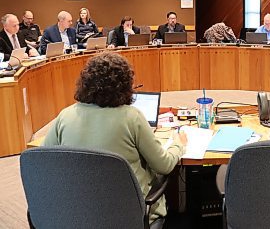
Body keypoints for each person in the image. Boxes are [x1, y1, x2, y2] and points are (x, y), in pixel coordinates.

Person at [42, 52, 187, 224]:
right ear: (125, 85)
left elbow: (44, 162)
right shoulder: (132, 117)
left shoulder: (65, 116)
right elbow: (164, 165)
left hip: (78, 214)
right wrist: (178, 144)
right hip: (129, 216)